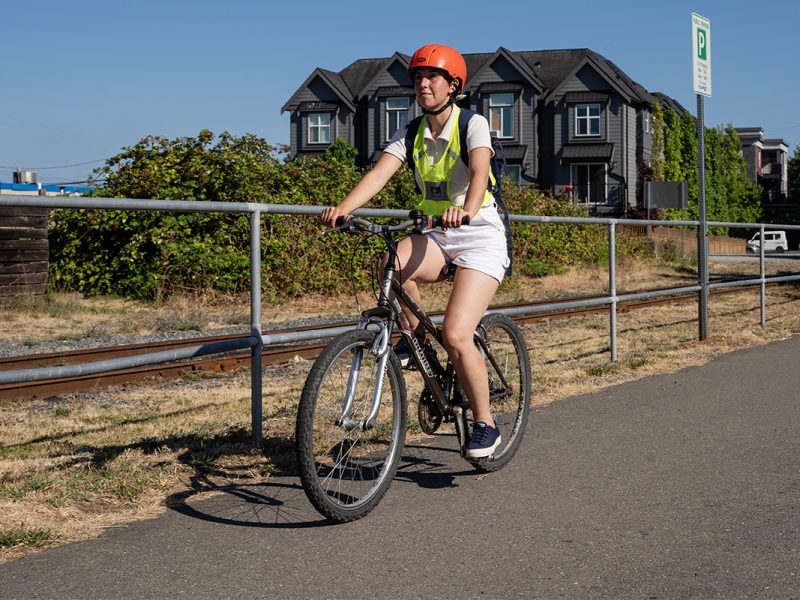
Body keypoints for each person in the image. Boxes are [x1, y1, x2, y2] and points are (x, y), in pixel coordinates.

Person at [321, 43, 510, 459]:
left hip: (479, 234)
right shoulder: (410, 132)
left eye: (433, 78)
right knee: (392, 263)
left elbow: (480, 172)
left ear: (453, 86)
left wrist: (468, 209)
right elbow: (379, 173)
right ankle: (419, 343)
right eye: (418, 78)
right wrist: (344, 209)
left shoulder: (472, 123)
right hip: (437, 233)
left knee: (459, 334)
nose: (423, 85)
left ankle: (486, 423)